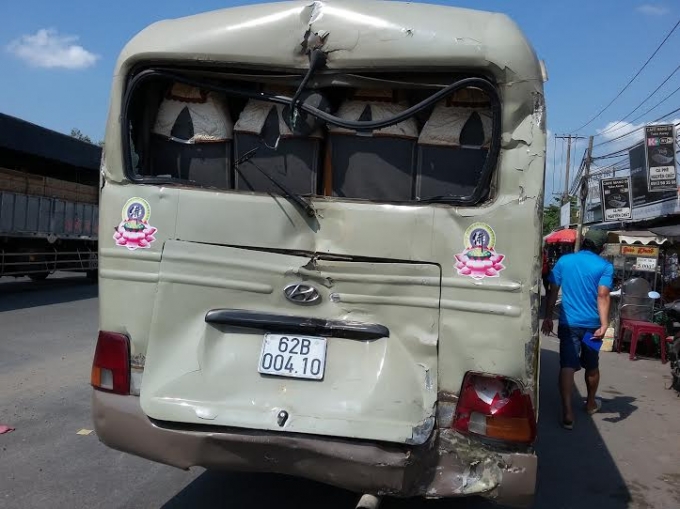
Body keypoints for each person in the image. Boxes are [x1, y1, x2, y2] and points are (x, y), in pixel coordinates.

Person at [541, 229, 613, 430]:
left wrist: (548, 317)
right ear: (602, 247)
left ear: (584, 241)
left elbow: (553, 291)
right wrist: (604, 324)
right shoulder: (605, 266)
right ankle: (590, 404)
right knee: (592, 365)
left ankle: (567, 413)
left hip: (568, 325)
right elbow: (603, 295)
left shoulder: (565, 261)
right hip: (592, 328)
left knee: (567, 365)